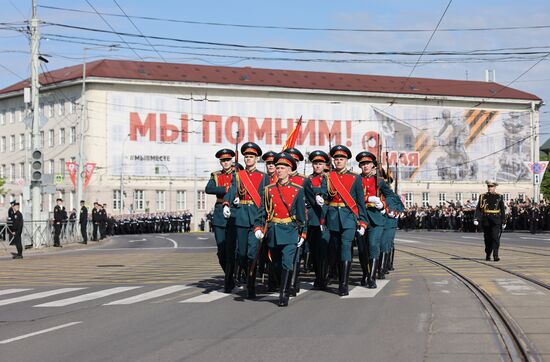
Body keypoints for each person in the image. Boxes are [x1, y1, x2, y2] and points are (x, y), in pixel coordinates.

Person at [254, 153, 306, 307]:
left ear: (290, 171)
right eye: (277, 167)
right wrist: (258, 227)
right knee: (275, 264)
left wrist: (303, 232)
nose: (279, 170)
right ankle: (281, 285)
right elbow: (262, 212)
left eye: (283, 168)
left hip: (290, 230)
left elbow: (302, 214)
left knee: (287, 262)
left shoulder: (298, 190)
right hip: (274, 231)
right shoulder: (268, 189)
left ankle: (284, 293)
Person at [223, 142, 270, 299]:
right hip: (242, 217)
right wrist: (226, 203)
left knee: (252, 254)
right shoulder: (238, 176)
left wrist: (265, 217)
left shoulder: (263, 177)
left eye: (251, 157)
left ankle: (251, 286)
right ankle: (243, 275)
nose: (249, 159)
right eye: (246, 157)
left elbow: (267, 198)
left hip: (257, 218)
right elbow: (231, 191)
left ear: (256, 159)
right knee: (242, 253)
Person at [326, 145, 368, 296]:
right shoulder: (329, 177)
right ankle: (337, 276)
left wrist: (363, 221)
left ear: (346, 161)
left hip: (349, 217)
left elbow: (360, 202)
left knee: (345, 247)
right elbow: (325, 196)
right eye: (336, 159)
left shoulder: (355, 178)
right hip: (332, 217)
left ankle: (343, 284)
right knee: (335, 250)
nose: (338, 161)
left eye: (341, 159)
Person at [355, 151, 394, 288]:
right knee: (362, 249)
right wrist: (367, 199)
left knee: (373, 245)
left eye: (368, 163)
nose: (365, 166)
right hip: (360, 218)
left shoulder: (379, 181)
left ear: (373, 165)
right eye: (362, 164)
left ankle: (371, 277)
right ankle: (365, 273)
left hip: (376, 218)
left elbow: (391, 198)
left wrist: (383, 205)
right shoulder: (356, 180)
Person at [205, 148, 236, 283]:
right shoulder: (216, 176)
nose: (225, 163)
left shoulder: (239, 174)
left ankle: (231, 278)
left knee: (233, 249)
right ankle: (229, 274)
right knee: (222, 250)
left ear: (232, 161)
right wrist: (225, 189)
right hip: (219, 214)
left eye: (228, 160)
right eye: (223, 160)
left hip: (235, 211)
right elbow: (209, 189)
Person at [303, 150, 330, 289]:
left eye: (320, 163)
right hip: (313, 219)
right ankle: (319, 276)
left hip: (327, 218)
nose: (317, 166)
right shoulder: (307, 180)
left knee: (324, 250)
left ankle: (323, 277)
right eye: (315, 163)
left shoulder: (329, 178)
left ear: (325, 165)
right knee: (313, 250)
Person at [474, 180, 506, 261]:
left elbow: (502, 209)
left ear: (495, 187)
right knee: (487, 238)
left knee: (495, 238)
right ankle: (488, 253)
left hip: (496, 219)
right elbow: (479, 208)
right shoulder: (483, 196)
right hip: (486, 219)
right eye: (488, 186)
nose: (489, 188)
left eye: (491, 187)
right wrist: (476, 218)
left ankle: (496, 255)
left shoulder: (499, 196)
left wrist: (504, 220)